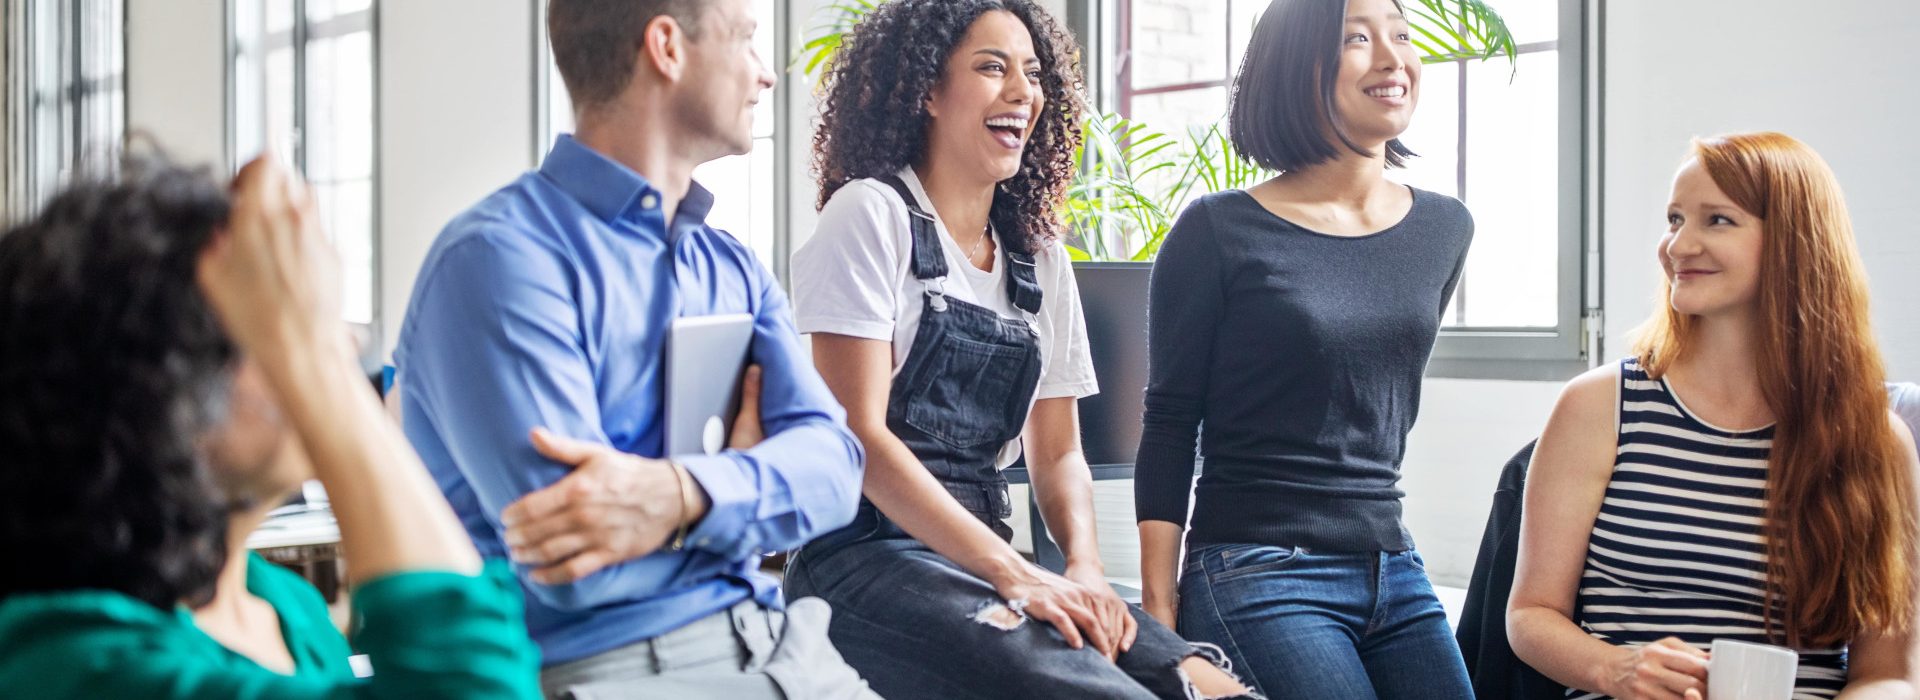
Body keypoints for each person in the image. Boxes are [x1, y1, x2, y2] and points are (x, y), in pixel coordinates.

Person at [392, 0, 875, 697]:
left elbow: (837, 472)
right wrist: (748, 494)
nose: (767, 75)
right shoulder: (499, 259)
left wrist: (683, 493)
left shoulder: (730, 265)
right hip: (613, 668)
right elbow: (583, 566)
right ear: (667, 48)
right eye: (745, 40)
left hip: (781, 644)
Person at [787, 2, 1253, 698]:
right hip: (864, 558)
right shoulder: (870, 214)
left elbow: (1058, 451)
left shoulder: (1039, 257)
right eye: (991, 67)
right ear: (926, 89)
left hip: (988, 551)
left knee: (1196, 678)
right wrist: (1015, 574)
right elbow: (858, 438)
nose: (1022, 92)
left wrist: (1085, 568)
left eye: (1033, 73)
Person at [0, 154, 541, 697]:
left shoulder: (282, 603)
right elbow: (475, 684)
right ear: (157, 394)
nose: (342, 343)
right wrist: (314, 360)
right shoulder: (77, 666)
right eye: (268, 326)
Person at [1131, 0, 1477, 696]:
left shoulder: (1445, 228)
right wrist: (1159, 616)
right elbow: (1170, 424)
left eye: (1401, 36)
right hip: (1257, 568)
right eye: (1357, 38)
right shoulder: (1217, 230)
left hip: (1392, 564)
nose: (1392, 57)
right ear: (1297, 68)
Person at [1507, 132, 1920, 700]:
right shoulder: (1599, 406)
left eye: (1716, 220)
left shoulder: (1878, 442)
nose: (1678, 246)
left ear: (1796, 244)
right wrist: (1613, 668)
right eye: (1675, 219)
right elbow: (1531, 614)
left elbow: (1889, 673)